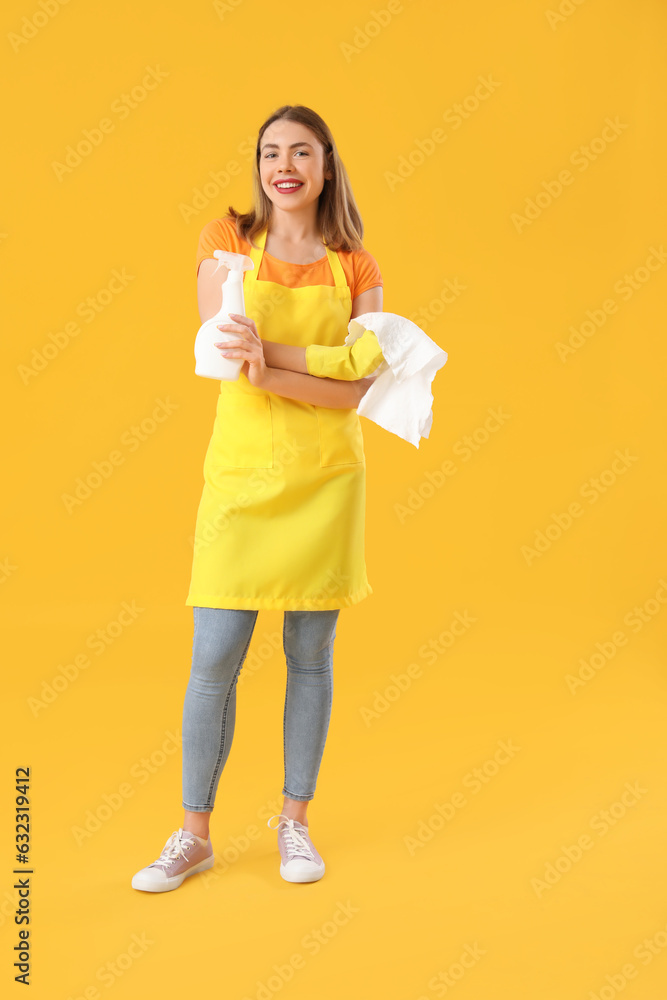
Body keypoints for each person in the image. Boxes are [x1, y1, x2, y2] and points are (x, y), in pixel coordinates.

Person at [131, 104, 386, 893]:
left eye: (301, 152)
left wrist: (274, 369)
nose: (285, 165)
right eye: (272, 151)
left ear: (325, 164)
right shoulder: (225, 241)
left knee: (309, 659)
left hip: (326, 482)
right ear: (259, 165)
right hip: (241, 480)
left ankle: (294, 825)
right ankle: (193, 834)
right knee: (214, 661)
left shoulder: (357, 266)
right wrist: (322, 362)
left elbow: (361, 387)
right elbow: (221, 345)